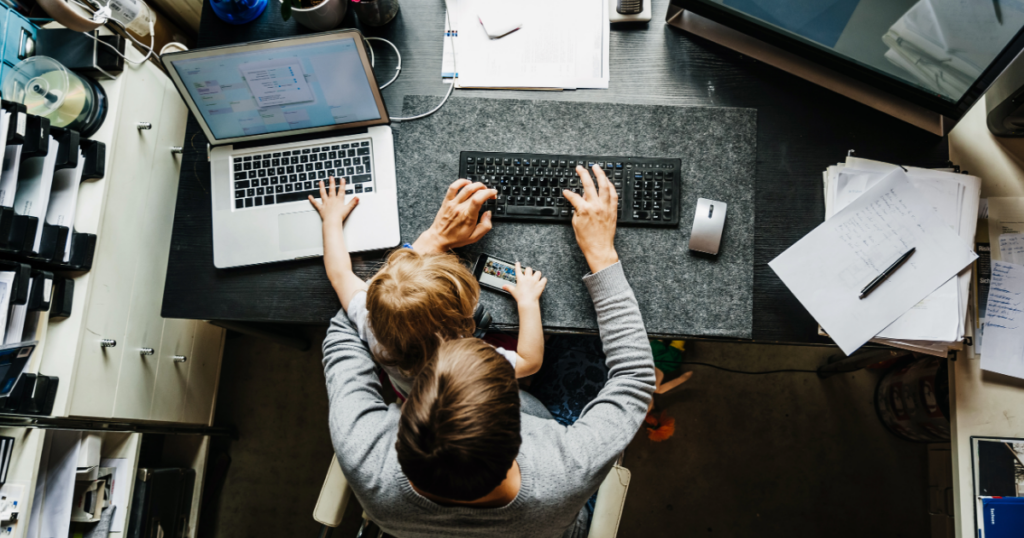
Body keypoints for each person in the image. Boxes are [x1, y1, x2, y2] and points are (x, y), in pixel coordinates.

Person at [321, 166, 656, 537]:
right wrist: (602, 253)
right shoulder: (564, 469)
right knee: (586, 348)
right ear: (520, 434)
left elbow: (345, 328)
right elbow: (635, 378)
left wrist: (426, 248)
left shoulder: (362, 453)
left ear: (402, 422)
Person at [309, 177, 548, 397]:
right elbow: (530, 362)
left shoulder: (369, 317)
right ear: (463, 322)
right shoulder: (468, 360)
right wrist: (528, 303)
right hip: (459, 391)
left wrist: (331, 220)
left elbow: (339, 274)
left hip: (409, 390)